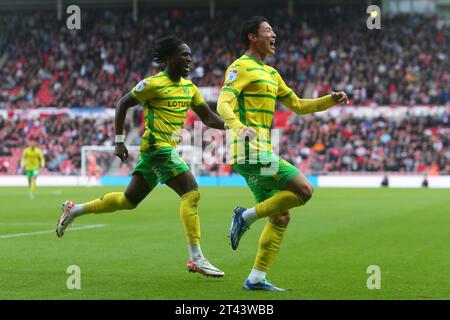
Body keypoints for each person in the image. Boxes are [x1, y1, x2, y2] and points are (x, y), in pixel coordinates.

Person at [56, 36, 226, 278]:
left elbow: (209, 118)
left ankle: (75, 210)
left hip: (161, 152)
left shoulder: (190, 88)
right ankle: (196, 257)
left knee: (128, 200)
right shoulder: (152, 84)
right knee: (191, 192)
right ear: (168, 59)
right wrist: (119, 140)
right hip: (157, 148)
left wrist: (235, 126)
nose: (189, 58)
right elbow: (122, 104)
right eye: (183, 54)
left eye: (190, 55)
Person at [217, 16, 349, 291]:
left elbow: (298, 105)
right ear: (253, 38)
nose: (274, 34)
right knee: (304, 190)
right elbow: (223, 103)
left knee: (280, 216)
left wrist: (329, 99)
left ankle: (255, 278)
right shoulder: (240, 67)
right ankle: (245, 217)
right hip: (248, 150)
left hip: (261, 151)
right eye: (267, 31)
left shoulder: (272, 73)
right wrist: (238, 127)